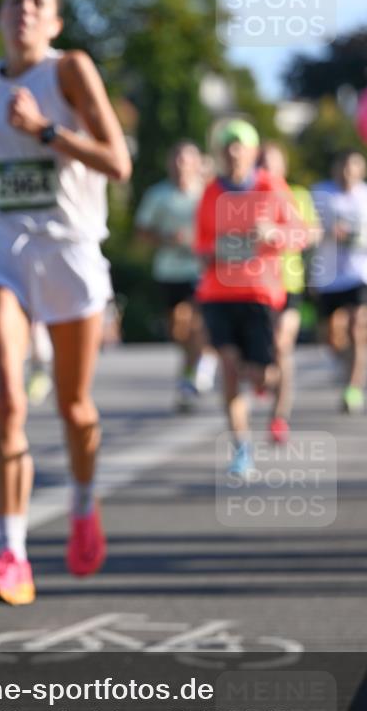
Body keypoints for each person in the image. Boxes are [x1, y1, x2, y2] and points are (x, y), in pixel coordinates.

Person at [0, 0, 130, 605]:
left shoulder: (70, 72)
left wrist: (46, 132)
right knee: (8, 398)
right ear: (1, 16)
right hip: (3, 252)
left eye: (39, 3)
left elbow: (119, 162)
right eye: (15, 0)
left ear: (54, 23)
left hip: (69, 253)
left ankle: (84, 504)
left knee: (74, 408)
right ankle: (13, 555)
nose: (25, 10)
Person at [194, 120, 309, 478]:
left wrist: (274, 232)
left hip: (260, 293)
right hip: (218, 294)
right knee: (229, 368)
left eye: (239, 145)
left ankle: (274, 386)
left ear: (252, 151)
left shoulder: (270, 186)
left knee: (262, 374)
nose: (232, 153)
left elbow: (301, 234)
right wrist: (216, 250)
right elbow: (199, 245)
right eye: (226, 146)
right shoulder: (211, 192)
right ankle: (242, 450)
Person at [135, 141, 216, 409]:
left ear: (196, 163)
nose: (182, 165)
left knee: (197, 324)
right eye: (177, 159)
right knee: (178, 328)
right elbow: (142, 231)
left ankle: (195, 373)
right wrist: (166, 237)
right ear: (170, 163)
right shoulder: (158, 195)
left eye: (187, 160)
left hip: (201, 269)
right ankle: (193, 368)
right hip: (169, 270)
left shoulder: (207, 192)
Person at [310, 149, 367, 413]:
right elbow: (306, 232)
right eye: (343, 166)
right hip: (328, 275)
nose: (348, 172)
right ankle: (345, 364)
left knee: (358, 329)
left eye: (354, 167)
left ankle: (353, 389)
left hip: (362, 273)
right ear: (334, 168)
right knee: (330, 336)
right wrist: (328, 233)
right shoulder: (319, 194)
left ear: (362, 170)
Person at [257, 143, 322, 442]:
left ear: (283, 167)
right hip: (254, 287)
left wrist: (278, 233)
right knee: (263, 359)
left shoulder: (297, 195)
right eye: (261, 164)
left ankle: (279, 418)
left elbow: (312, 233)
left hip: (288, 285)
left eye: (272, 164)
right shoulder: (245, 197)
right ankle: (264, 377)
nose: (266, 170)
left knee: (283, 346)